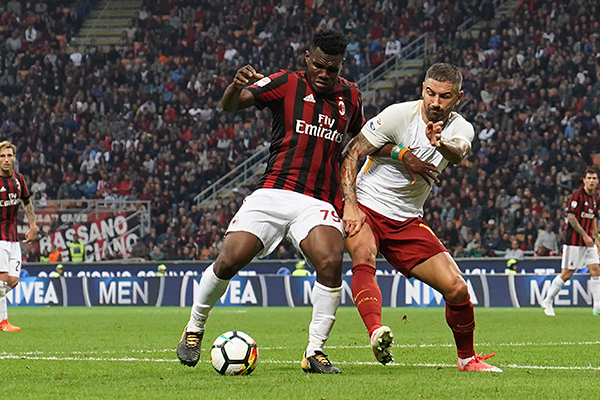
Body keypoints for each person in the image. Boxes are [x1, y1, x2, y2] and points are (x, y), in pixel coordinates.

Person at [176, 29, 366, 375]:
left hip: (318, 200)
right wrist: (234, 86)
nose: (324, 74)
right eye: (319, 65)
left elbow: (364, 140)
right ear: (307, 58)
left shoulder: (351, 96)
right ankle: (194, 327)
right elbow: (232, 104)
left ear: (341, 67)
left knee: (331, 261)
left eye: (333, 69)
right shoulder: (286, 83)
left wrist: (398, 153)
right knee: (229, 260)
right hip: (273, 192)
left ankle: (315, 351)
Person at [340, 63, 502, 371]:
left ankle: (467, 359)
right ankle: (376, 332)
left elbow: (459, 151)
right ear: (423, 90)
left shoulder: (460, 128)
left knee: (457, 288)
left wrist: (440, 144)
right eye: (431, 93)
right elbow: (351, 152)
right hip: (366, 205)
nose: (435, 102)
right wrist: (351, 204)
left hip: (406, 220)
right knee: (363, 256)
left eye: (445, 96)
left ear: (458, 97)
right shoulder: (398, 115)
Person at [541, 167, 600, 316]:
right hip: (574, 241)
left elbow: (593, 218)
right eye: (589, 178)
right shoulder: (577, 196)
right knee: (567, 273)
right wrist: (585, 235)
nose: (591, 181)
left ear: (597, 181)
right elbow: (571, 218)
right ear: (584, 180)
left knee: (596, 270)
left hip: (589, 241)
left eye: (594, 178)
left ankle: (597, 307)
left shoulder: (595, 199)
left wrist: (596, 238)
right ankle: (547, 301)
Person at [0, 141, 38, 332]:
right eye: (2, 156)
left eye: (9, 156)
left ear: (14, 158)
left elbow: (26, 202)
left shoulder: (18, 179)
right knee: (2, 279)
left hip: (13, 238)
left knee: (13, 281)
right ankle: (3, 322)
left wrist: (33, 226)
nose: (6, 159)